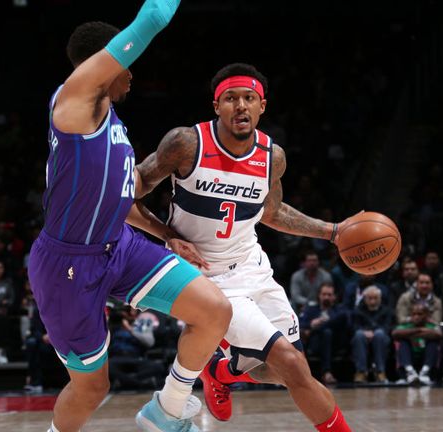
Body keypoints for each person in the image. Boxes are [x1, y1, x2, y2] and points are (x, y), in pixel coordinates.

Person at [26, 3, 233, 431]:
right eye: (127, 60)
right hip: (67, 264)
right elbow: (153, 17)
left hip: (117, 246)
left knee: (214, 310)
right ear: (106, 60)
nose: (133, 71)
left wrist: (165, 234)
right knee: (91, 389)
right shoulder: (73, 102)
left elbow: (121, 196)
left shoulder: (113, 123)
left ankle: (167, 411)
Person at [133, 63, 353, 431]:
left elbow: (273, 212)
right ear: (216, 105)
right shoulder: (185, 144)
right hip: (207, 279)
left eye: (249, 98)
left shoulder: (272, 157)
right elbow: (124, 195)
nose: (240, 106)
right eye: (231, 98)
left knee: (291, 373)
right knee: (293, 366)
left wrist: (332, 231)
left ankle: (222, 371)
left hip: (253, 267)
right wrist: (166, 234)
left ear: (262, 106)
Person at [299, 282, 348, 385]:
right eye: (324, 294)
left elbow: (341, 323)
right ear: (319, 295)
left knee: (327, 332)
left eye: (329, 295)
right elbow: (301, 325)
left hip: (335, 345)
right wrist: (311, 324)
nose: (326, 297)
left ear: (334, 297)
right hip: (314, 345)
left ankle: (326, 372)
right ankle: (300, 373)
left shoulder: (340, 311)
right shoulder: (311, 310)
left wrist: (313, 328)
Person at [351, 286, 394, 384]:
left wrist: (374, 332)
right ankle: (361, 372)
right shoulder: (358, 310)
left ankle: (380, 371)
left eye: (375, 298)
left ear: (380, 298)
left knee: (379, 334)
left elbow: (388, 327)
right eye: (369, 298)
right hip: (363, 336)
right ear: (364, 299)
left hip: (380, 336)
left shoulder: (387, 310)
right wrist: (365, 332)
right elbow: (354, 327)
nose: (372, 301)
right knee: (358, 335)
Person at [392, 303, 442, 385]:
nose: (416, 317)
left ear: (426, 315)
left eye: (420, 314)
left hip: (425, 360)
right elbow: (395, 333)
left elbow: (438, 334)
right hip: (410, 358)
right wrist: (419, 330)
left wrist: (409, 333)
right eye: (414, 314)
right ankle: (409, 372)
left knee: (433, 343)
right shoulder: (406, 324)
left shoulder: (432, 325)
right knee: (403, 342)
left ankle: (425, 372)